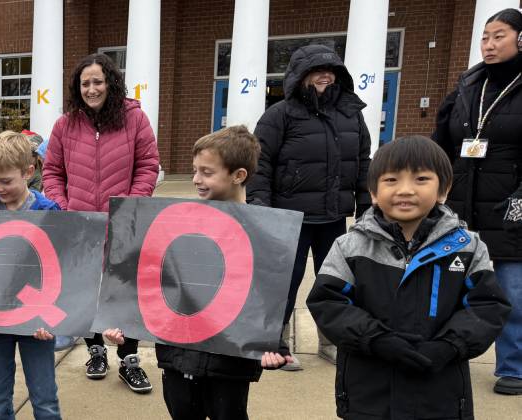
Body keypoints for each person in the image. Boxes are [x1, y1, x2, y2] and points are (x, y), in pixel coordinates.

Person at [307, 135, 511, 419]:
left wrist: (450, 345)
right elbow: (327, 303)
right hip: (369, 393)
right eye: (391, 180)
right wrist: (376, 339)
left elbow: (487, 307)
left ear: (444, 189)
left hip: (440, 391)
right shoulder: (350, 246)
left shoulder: (468, 246)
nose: (405, 190)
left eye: (421, 179)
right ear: (374, 191)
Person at [104, 126, 292, 420]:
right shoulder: (178, 224)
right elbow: (153, 280)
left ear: (238, 175)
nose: (195, 179)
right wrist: (123, 321)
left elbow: (266, 295)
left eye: (206, 172)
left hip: (228, 362)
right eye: (194, 171)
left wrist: (273, 345)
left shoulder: (263, 233)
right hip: (178, 356)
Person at [248, 44, 372, 370]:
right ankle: (276, 341)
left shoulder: (351, 114)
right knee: (283, 282)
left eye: (331, 70)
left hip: (332, 216)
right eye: (317, 70)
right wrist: (261, 204)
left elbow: (362, 162)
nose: (325, 75)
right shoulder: (280, 115)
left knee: (335, 281)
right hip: (289, 217)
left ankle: (331, 341)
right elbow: (259, 164)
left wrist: (367, 205)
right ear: (300, 76)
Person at [42, 52, 159, 393]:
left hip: (124, 223)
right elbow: (52, 172)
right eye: (85, 83)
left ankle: (129, 360)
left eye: (97, 81)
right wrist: (65, 207)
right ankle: (96, 351)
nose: (91, 89)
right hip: (81, 225)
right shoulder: (65, 124)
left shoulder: (134, 119)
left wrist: (129, 206)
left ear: (111, 83)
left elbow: (147, 165)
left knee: (124, 292)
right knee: (88, 290)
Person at [433, 8, 522, 396]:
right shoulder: (468, 85)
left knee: (510, 292)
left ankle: (514, 366)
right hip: (462, 205)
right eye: (485, 37)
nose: (488, 44)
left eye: (498, 36)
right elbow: (442, 142)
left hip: (511, 208)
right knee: (453, 285)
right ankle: (449, 351)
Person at [0, 131, 61, 420]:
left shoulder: (48, 211)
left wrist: (53, 318)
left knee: (45, 402)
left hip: (36, 319)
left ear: (28, 172)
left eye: (6, 181)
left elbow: (63, 267)